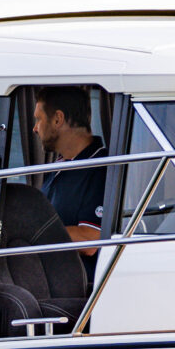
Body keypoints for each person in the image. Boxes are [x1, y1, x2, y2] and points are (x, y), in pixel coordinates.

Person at [30, 86, 107, 242]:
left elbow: (91, 238)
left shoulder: (101, 167)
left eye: (38, 119)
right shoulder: (58, 166)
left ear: (58, 119)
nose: (34, 129)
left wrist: (32, 233)